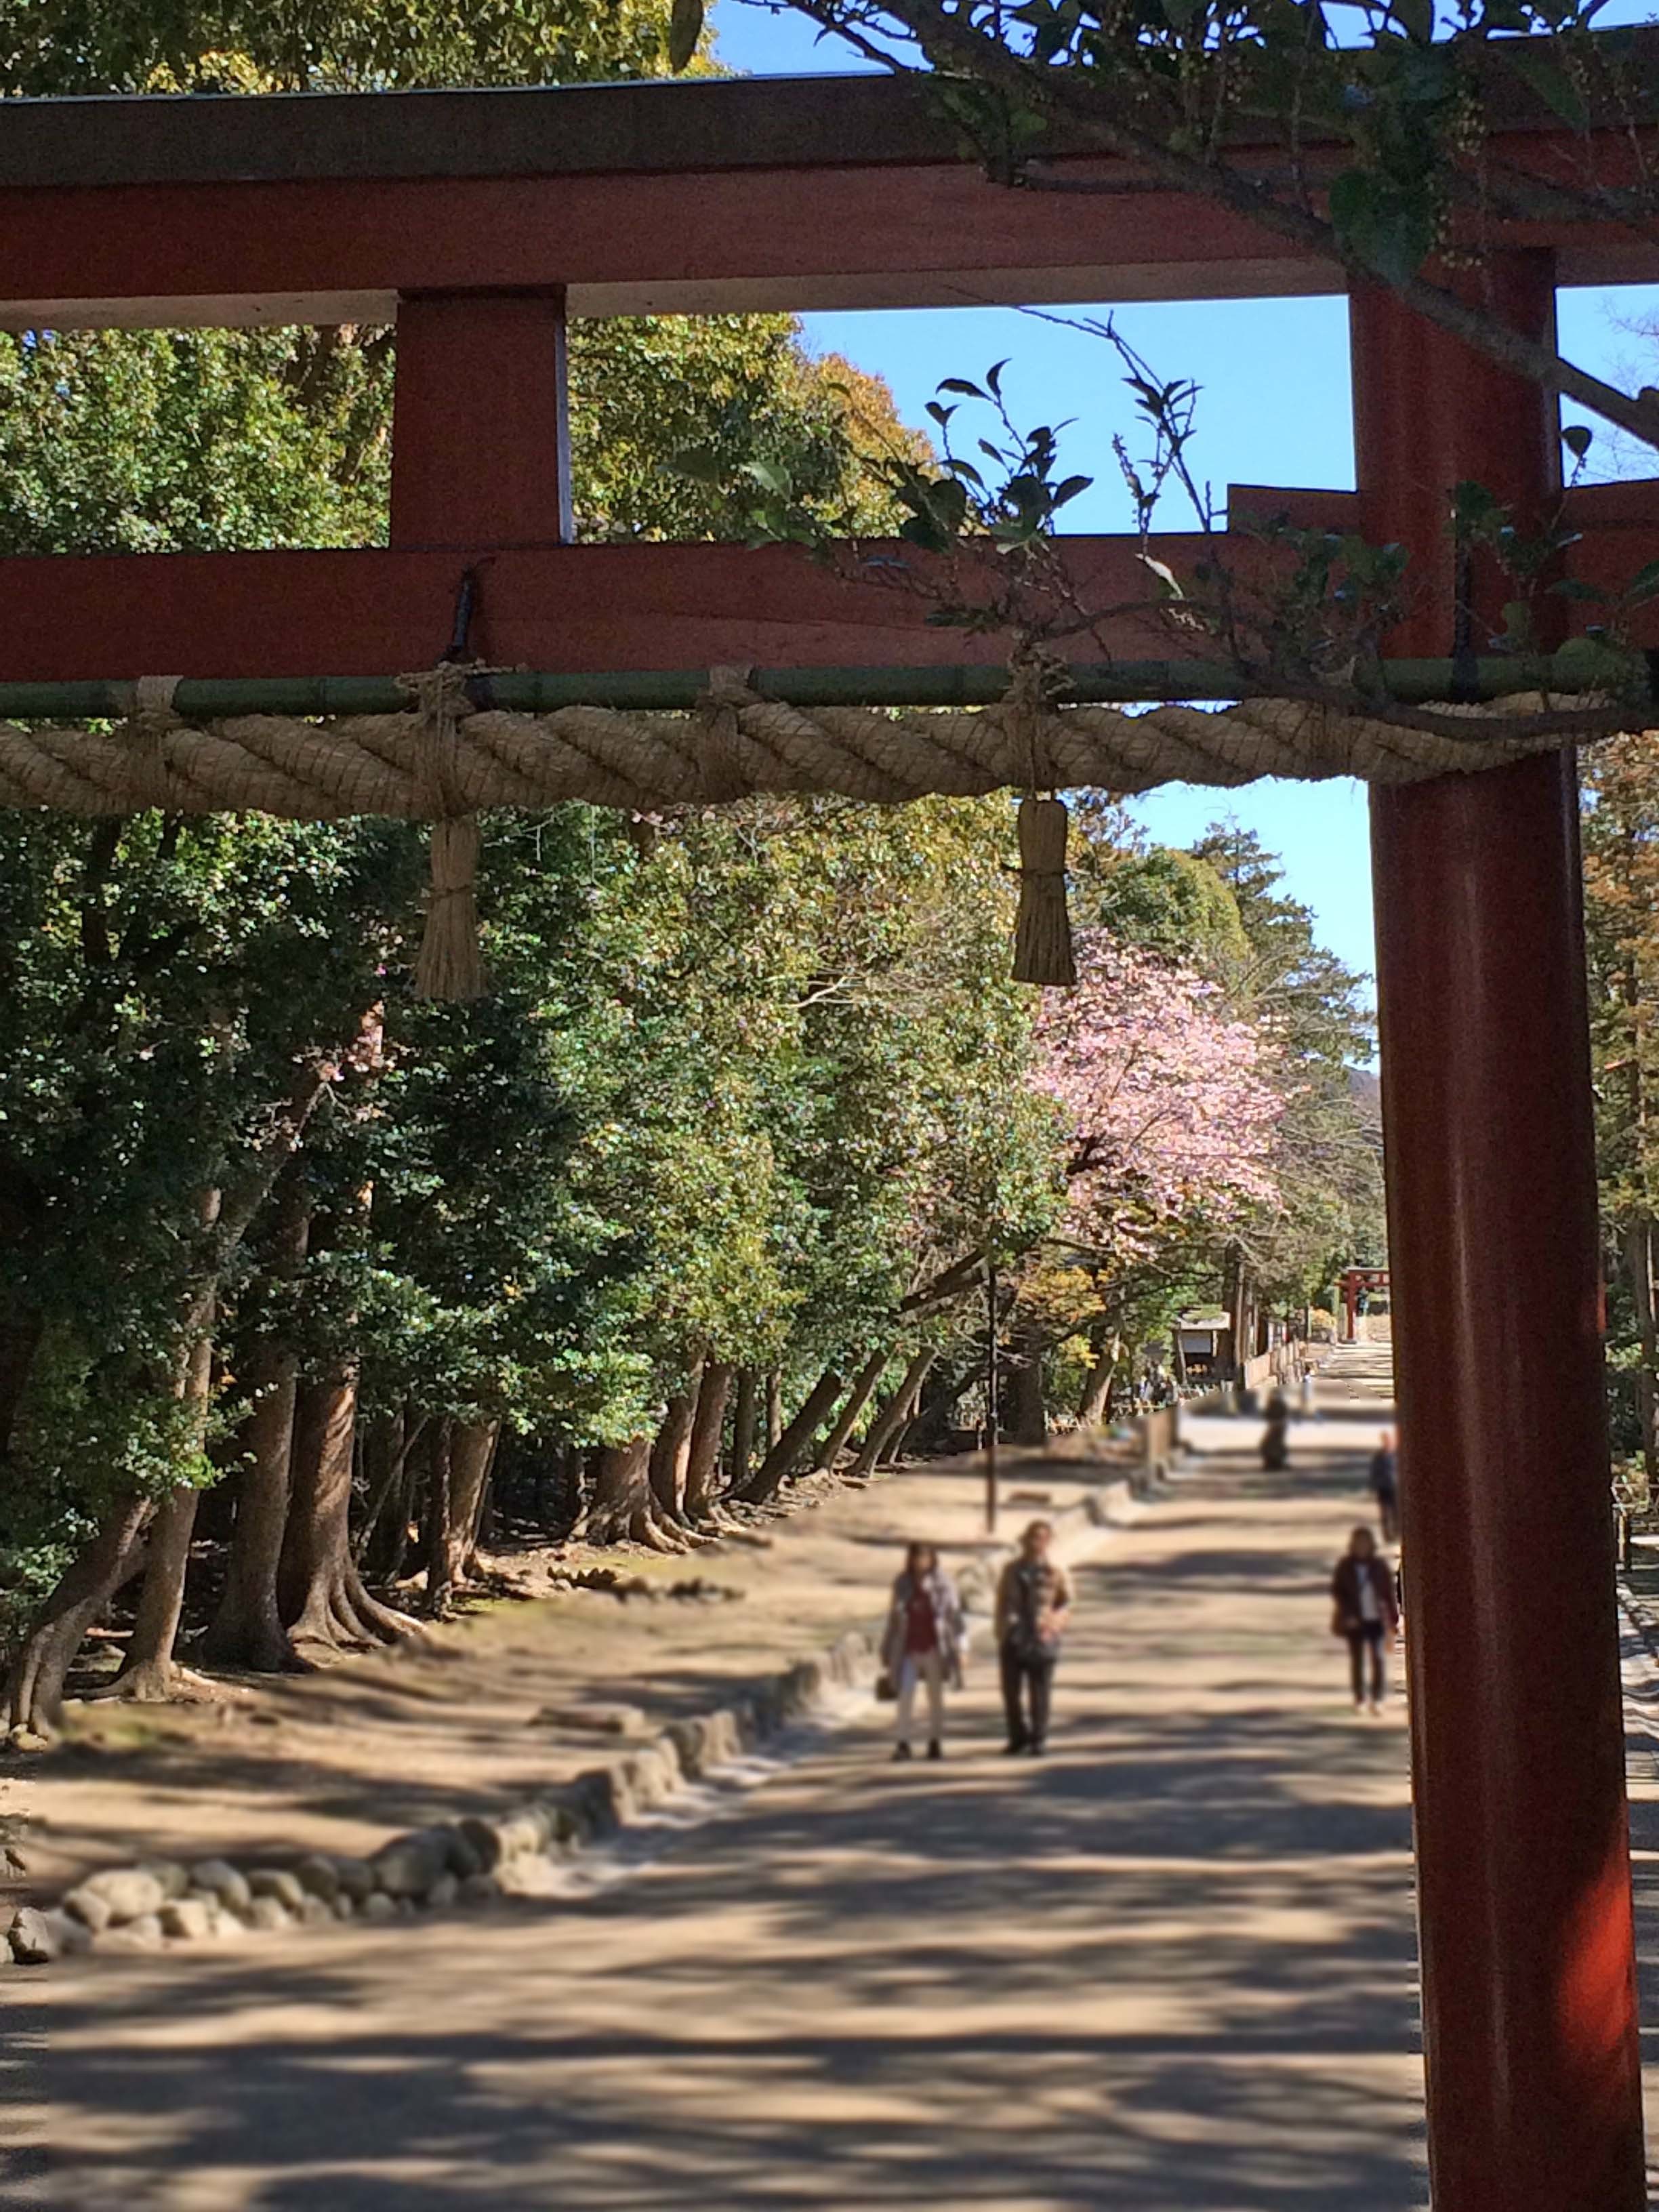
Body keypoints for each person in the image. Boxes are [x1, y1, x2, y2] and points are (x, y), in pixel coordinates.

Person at [995, 1519, 1075, 1755]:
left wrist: (1053, 1624)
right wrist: (1002, 1631)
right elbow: (1002, 1601)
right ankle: (1017, 1736)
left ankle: (1039, 1738)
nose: (1036, 1542)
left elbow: (1067, 1603)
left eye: (1042, 1538)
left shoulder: (1056, 1570)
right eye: (1032, 1537)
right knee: (1010, 1692)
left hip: (1042, 1636)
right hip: (1014, 1635)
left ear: (1048, 1541)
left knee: (1040, 1691)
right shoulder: (1011, 1570)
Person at [881, 1542, 964, 1761]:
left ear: (932, 1559)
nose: (921, 1562)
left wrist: (962, 1646)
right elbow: (893, 1618)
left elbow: (954, 1616)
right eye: (917, 1557)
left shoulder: (943, 1583)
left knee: (935, 1696)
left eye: (925, 1557)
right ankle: (903, 1743)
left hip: (936, 1647)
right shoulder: (902, 1583)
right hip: (908, 1647)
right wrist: (887, 1649)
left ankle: (935, 1740)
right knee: (905, 1694)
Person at [1331, 1525, 1400, 1714]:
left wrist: (1393, 1621)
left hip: (1376, 1619)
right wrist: (1348, 1615)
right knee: (1358, 1660)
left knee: (1378, 1658)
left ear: (1371, 1546)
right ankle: (1360, 1697)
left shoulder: (1379, 1567)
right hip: (1356, 1620)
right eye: (1358, 1544)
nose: (1362, 1547)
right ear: (1353, 1546)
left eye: (1365, 1544)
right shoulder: (1346, 1567)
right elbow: (1339, 1592)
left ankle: (1377, 1698)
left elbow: (1388, 1594)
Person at [1369, 1429, 1399, 1543]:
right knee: (1385, 1514)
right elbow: (1374, 1471)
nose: (1388, 1442)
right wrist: (1374, 1485)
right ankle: (1387, 1536)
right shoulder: (1378, 1456)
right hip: (1383, 1488)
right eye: (1385, 1440)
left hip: (1395, 1488)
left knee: (1396, 1512)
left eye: (1389, 1440)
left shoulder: (1396, 1455)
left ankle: (1397, 1533)